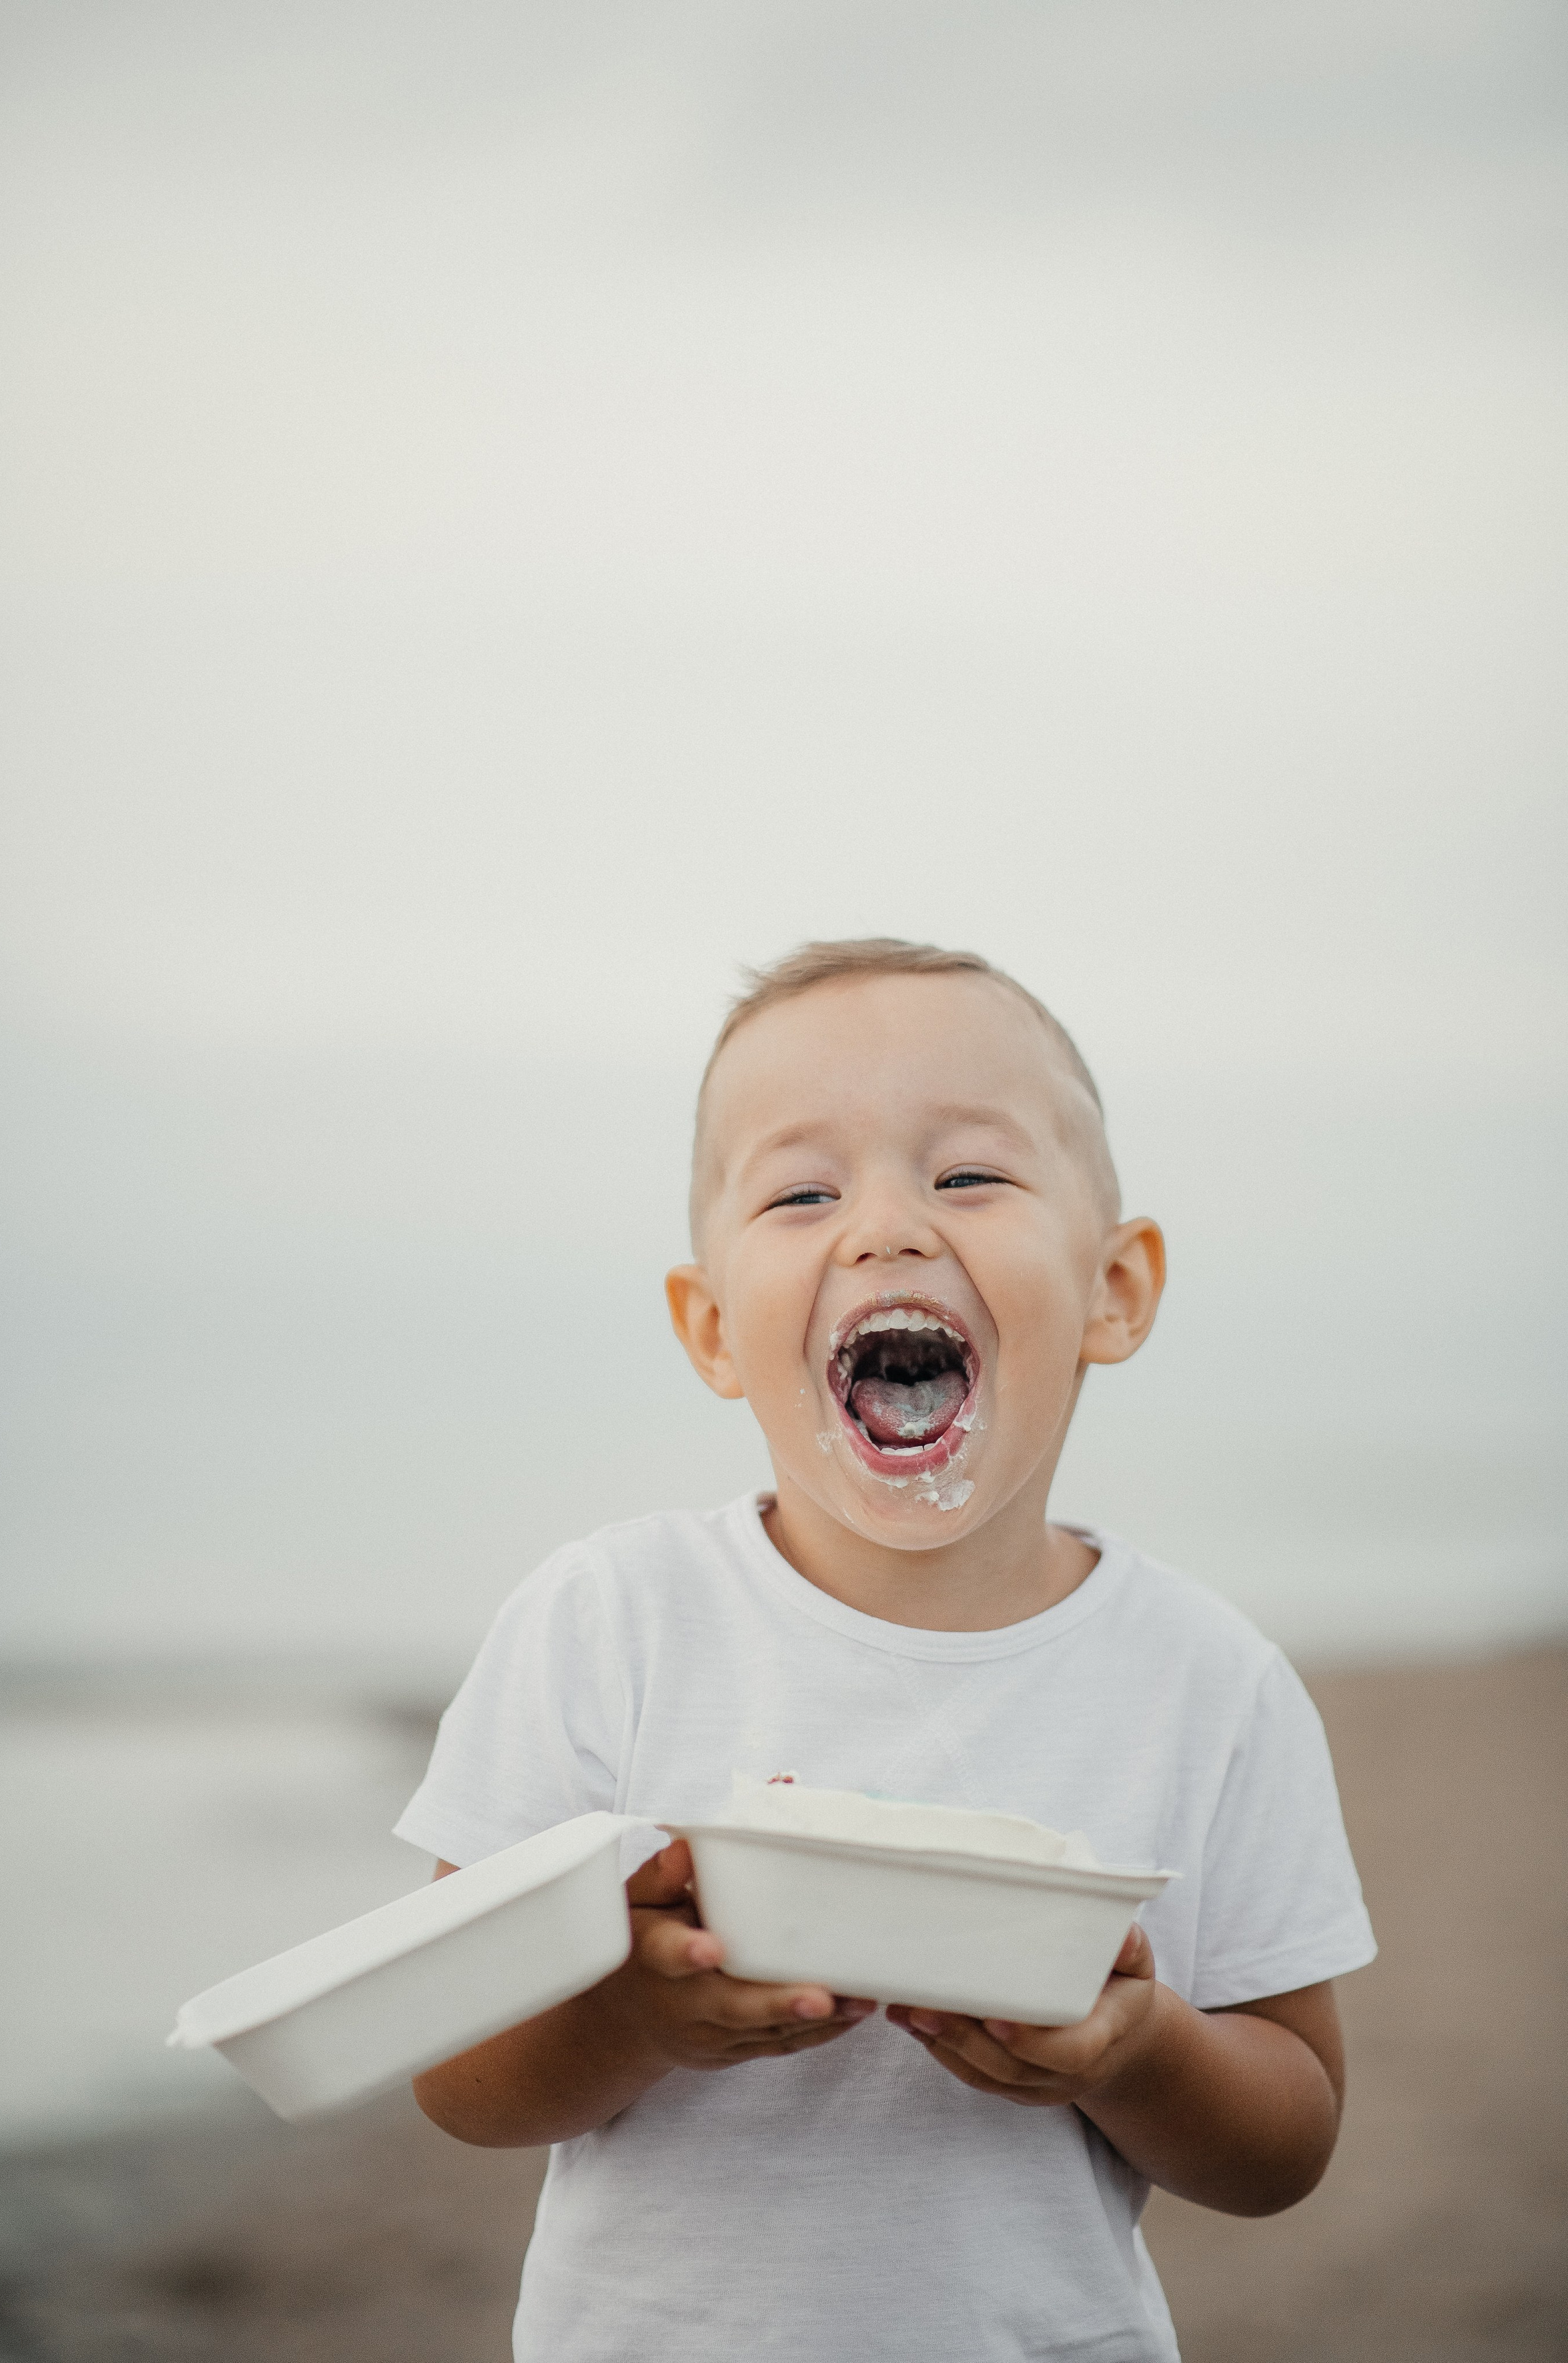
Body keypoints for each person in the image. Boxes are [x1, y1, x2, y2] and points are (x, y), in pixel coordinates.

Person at [398, 938, 1375, 2362]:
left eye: (966, 1175)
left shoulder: (1208, 1682)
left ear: (1113, 1289)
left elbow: (1287, 2138)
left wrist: (1137, 2047)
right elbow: (452, 2076)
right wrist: (633, 2017)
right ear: (712, 1327)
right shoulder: (606, 1621)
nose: (883, 1229)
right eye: (802, 1192)